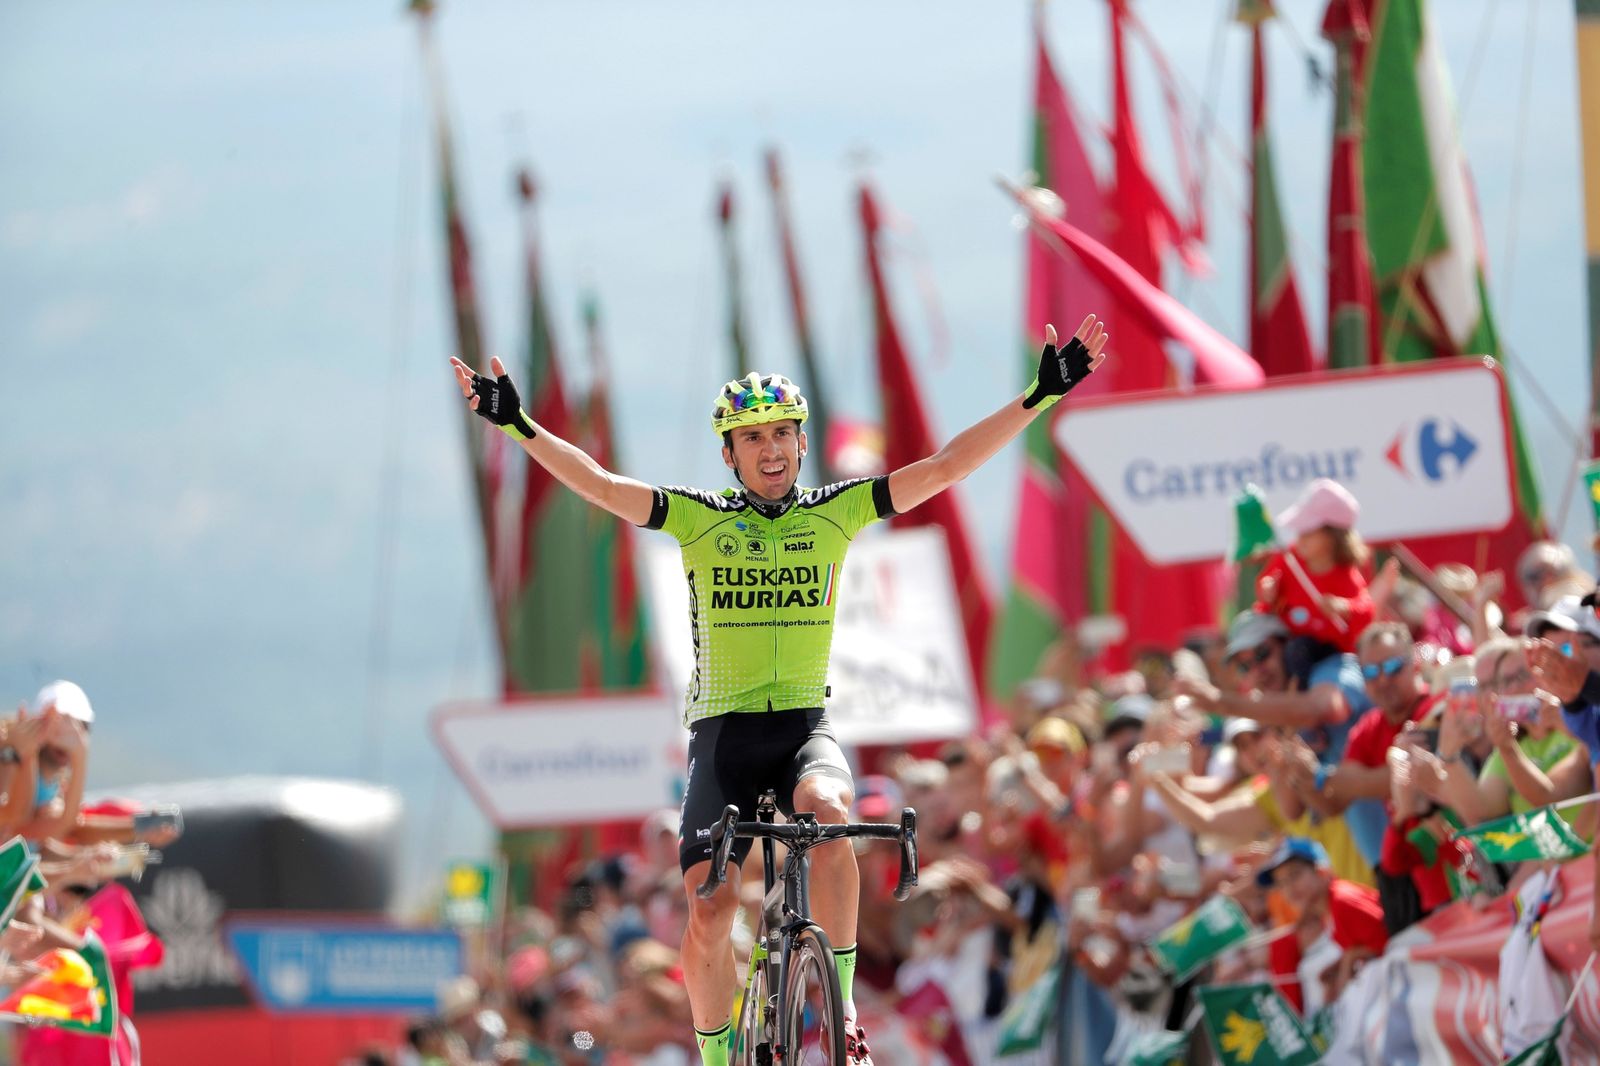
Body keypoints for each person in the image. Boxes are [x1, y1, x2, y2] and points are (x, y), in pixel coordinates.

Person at [451, 315, 1109, 1066]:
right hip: (724, 738)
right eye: (752, 438)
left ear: (802, 443)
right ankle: (714, 1049)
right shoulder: (701, 520)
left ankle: (845, 1006)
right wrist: (518, 424)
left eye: (782, 434)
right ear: (729, 455)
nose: (771, 449)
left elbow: (947, 464)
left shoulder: (837, 510)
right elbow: (599, 486)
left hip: (803, 726)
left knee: (830, 820)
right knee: (712, 904)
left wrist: (1041, 394)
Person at [1254, 479, 1374, 654]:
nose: (1299, 538)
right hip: (1284, 644)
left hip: (1331, 654)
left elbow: (1366, 611)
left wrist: (1345, 608)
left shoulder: (1346, 574)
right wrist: (1267, 590)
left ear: (1333, 536)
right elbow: (1264, 587)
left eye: (1308, 532)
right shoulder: (1288, 559)